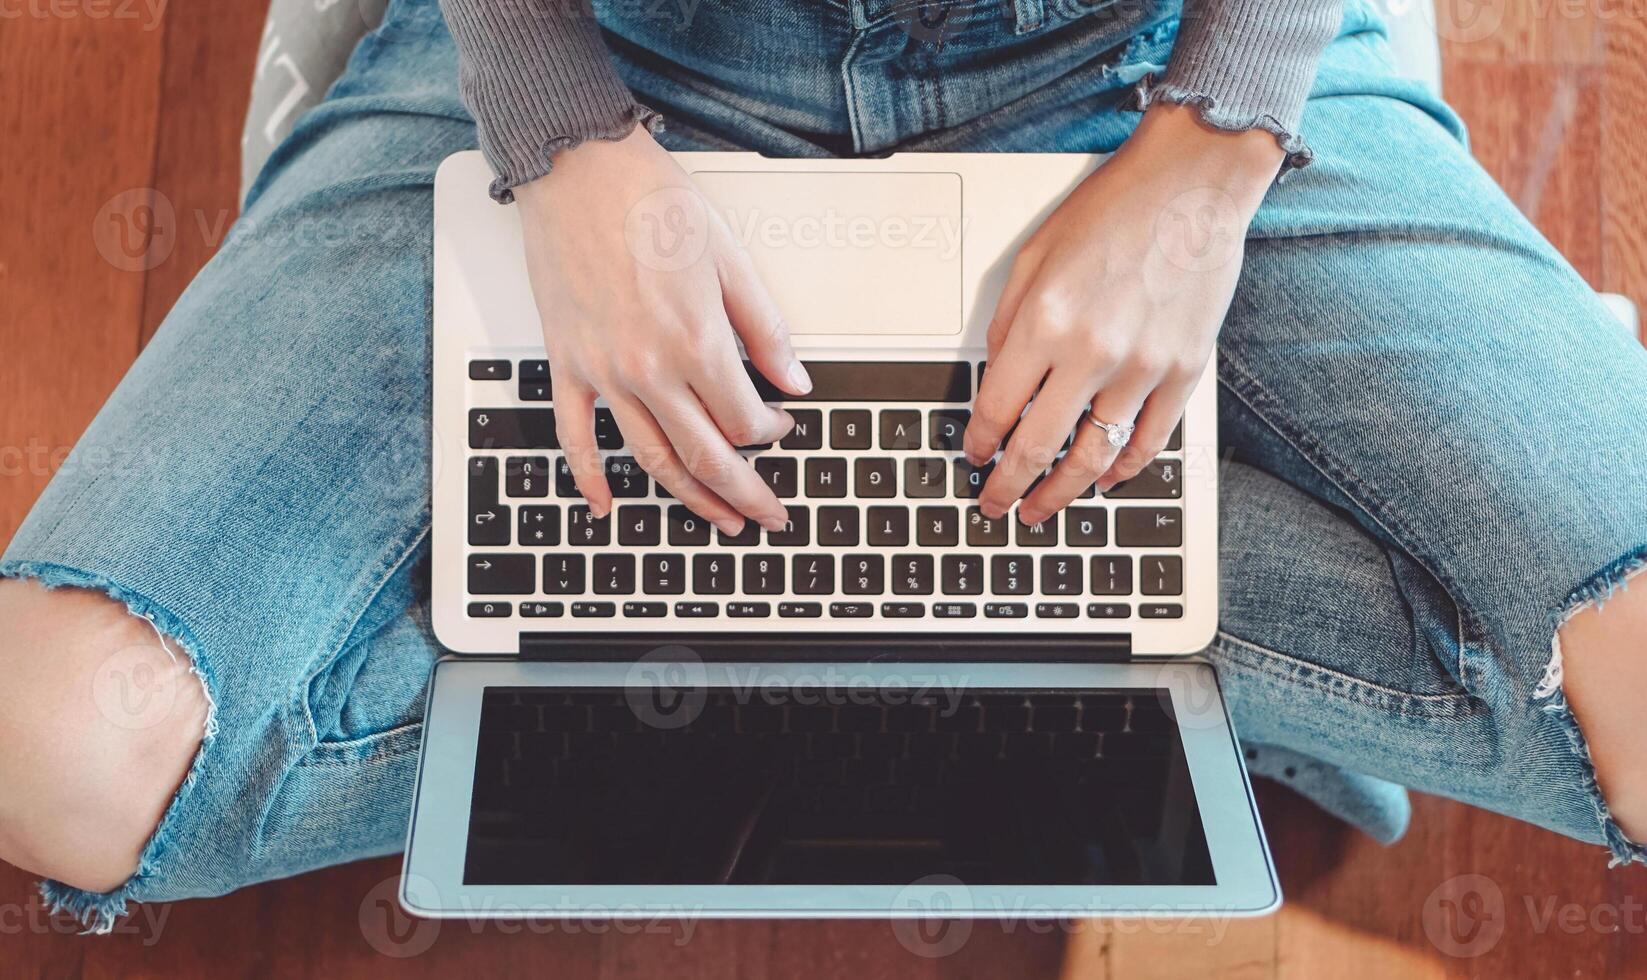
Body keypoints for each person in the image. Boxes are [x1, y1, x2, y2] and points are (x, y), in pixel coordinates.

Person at [1, 0, 1644, 933]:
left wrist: (1214, 152)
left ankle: (774, 597)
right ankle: (1067, 617)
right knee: (58, 747)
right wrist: (559, 131)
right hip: (608, 46)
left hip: (1152, 64)